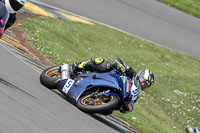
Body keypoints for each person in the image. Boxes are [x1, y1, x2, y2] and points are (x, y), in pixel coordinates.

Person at [72, 58, 155, 112]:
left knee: (108, 112)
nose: (143, 84)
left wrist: (126, 107)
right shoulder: (131, 73)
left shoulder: (135, 95)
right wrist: (121, 68)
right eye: (143, 80)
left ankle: (94, 100)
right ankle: (79, 66)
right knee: (102, 63)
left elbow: (129, 108)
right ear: (140, 75)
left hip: (114, 91)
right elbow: (117, 61)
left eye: (146, 85)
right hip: (108, 76)